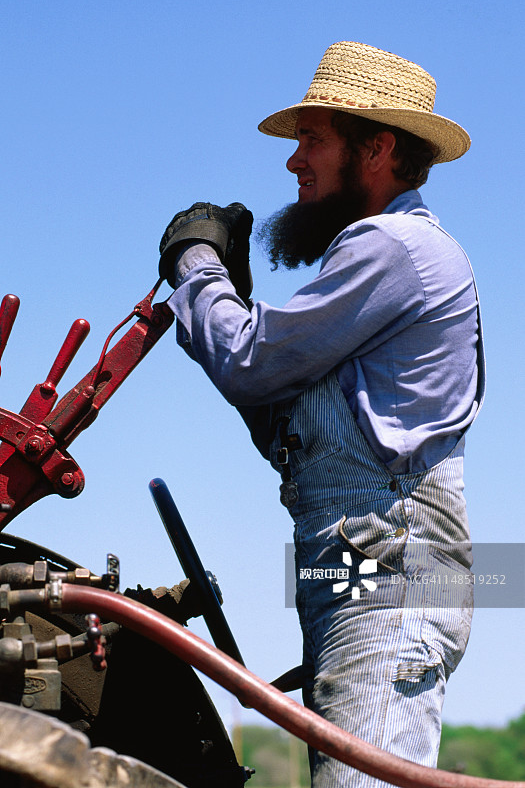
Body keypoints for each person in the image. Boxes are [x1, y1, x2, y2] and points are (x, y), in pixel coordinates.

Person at [158, 41, 485, 787]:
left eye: (312, 138)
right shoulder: (383, 263)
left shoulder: (394, 247)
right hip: (366, 575)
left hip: (389, 581)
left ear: (375, 148)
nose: (293, 160)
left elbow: (250, 364)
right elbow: (279, 421)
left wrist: (196, 268)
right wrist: (228, 304)